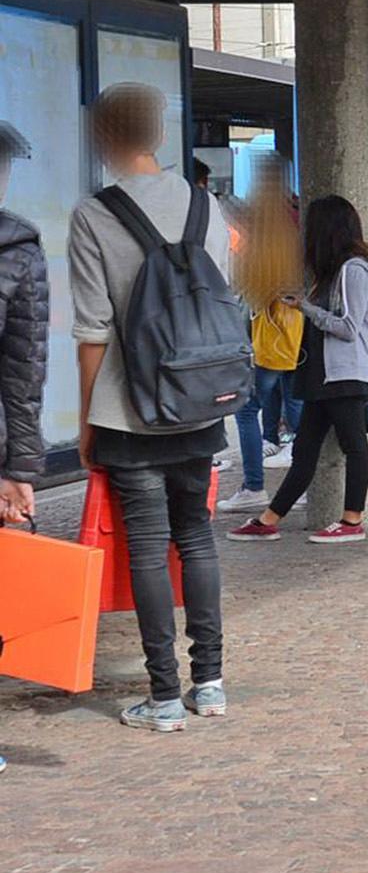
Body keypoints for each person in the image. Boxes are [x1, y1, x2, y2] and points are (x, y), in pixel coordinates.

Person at [67, 85, 230, 731]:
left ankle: (164, 697)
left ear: (104, 137)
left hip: (128, 409)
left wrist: (85, 422)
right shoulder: (206, 206)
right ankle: (210, 683)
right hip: (201, 400)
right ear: (159, 135)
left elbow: (92, 331)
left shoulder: (94, 214)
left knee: (146, 547)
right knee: (197, 537)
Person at [229, 195, 368, 547]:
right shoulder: (331, 271)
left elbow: (348, 326)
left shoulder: (353, 269)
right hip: (324, 373)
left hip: (345, 372)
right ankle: (270, 519)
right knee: (305, 448)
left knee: (353, 444)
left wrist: (306, 308)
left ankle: (351, 520)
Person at [224, 170, 305, 510]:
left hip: (267, 342)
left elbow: (251, 297)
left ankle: (254, 486)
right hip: (294, 339)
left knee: (246, 411)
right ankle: (307, 487)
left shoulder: (262, 244)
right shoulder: (295, 235)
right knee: (298, 408)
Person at [1, 120, 47, 527]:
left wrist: (19, 468)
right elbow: (23, 374)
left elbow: (23, 373)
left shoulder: (18, 249)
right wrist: (18, 471)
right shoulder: (17, 251)